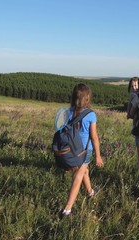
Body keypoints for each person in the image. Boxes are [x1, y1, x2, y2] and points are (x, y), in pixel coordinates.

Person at [60, 83, 104, 217]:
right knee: (78, 176)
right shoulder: (91, 115)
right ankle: (67, 209)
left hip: (70, 148)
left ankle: (90, 192)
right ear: (88, 98)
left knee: (85, 171)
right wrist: (98, 156)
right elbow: (94, 137)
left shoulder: (68, 112)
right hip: (85, 150)